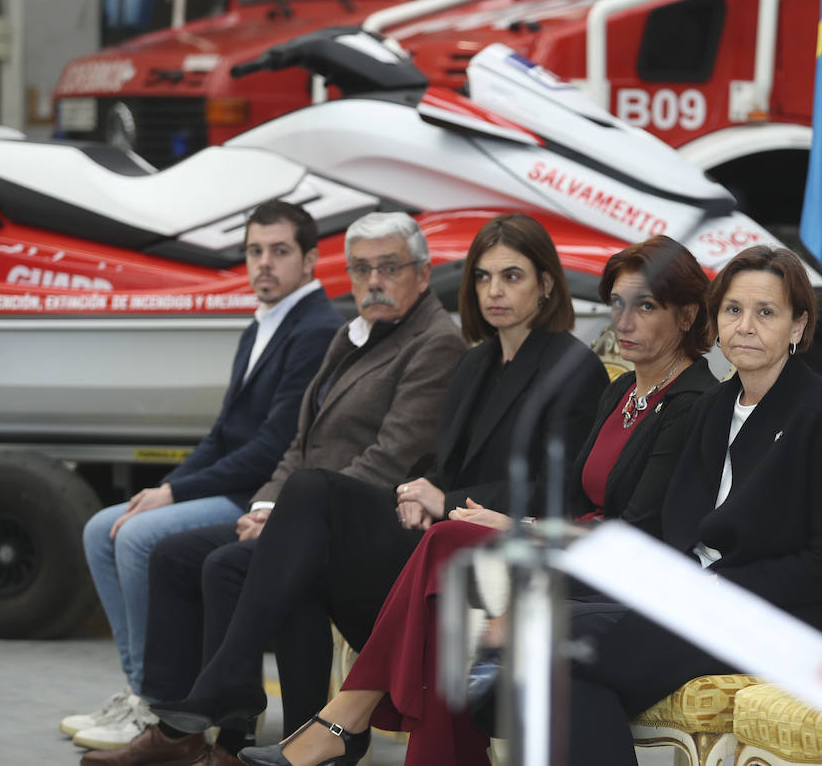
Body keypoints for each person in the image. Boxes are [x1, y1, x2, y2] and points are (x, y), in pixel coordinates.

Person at [232, 234, 720, 766]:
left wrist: (518, 528)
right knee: (448, 587)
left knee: (448, 546)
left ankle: (344, 720)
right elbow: (575, 501)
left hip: (621, 575)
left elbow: (639, 533)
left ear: (688, 314)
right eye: (617, 305)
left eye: (645, 307)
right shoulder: (621, 392)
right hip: (569, 552)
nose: (623, 323)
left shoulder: (693, 401)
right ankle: (361, 728)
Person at [146, 214, 611, 762]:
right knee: (281, 558)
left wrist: (448, 499)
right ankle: (304, 736)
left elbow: (557, 490)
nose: (495, 291)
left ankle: (235, 686)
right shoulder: (478, 361)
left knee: (313, 492)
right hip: (430, 543)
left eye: (512, 277)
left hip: (489, 559)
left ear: (547, 284)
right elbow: (441, 463)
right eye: (483, 278)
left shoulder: (572, 367)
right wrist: (420, 491)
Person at [83, 212, 467, 766]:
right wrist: (267, 505)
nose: (373, 281)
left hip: (376, 523)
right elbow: (298, 443)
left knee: (238, 562)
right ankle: (212, 730)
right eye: (361, 268)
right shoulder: (350, 333)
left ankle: (269, 725)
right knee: (182, 556)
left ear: (424, 274)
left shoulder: (434, 344)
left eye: (389, 267)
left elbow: (392, 457)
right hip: (309, 511)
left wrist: (285, 513)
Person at [541, 245, 822, 766]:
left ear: (797, 325)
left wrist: (717, 588)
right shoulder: (716, 404)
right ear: (716, 320)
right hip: (690, 599)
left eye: (766, 312)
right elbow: (678, 525)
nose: (745, 326)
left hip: (766, 618)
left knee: (566, 654)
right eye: (733, 310)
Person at [66, 201, 344, 751]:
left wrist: (175, 492)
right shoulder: (261, 324)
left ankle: (159, 703)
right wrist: (162, 489)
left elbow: (273, 447)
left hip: (257, 495)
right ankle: (139, 690)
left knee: (139, 539)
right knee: (103, 527)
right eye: (253, 251)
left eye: (279, 251)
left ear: (310, 260)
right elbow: (221, 434)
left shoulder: (314, 329)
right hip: (228, 482)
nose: (263, 264)